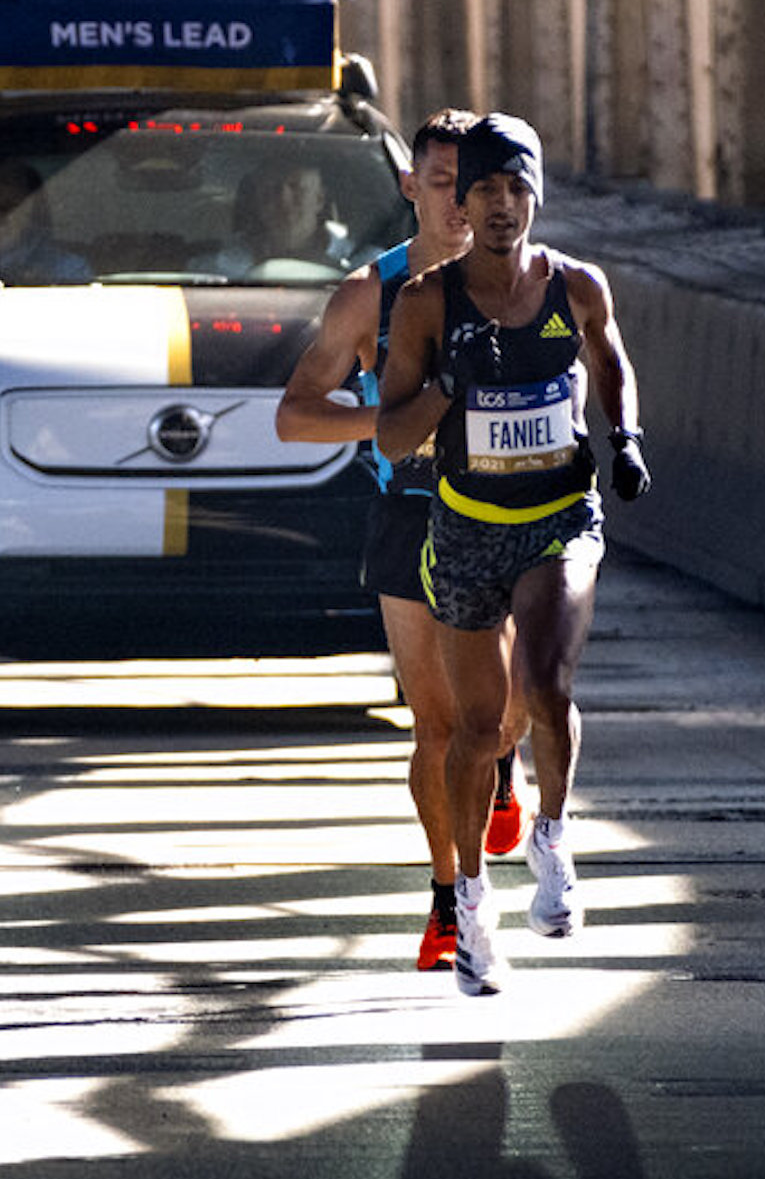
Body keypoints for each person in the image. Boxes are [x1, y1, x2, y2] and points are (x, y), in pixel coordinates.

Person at [375, 113, 651, 996]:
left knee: (548, 683)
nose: (501, 206)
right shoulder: (425, 301)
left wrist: (628, 437)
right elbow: (390, 430)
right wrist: (451, 385)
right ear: (460, 198)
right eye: (484, 189)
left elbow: (610, 361)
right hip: (463, 524)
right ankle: (469, 902)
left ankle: (556, 837)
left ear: (537, 193)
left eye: (516, 188)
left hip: (558, 513)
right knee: (475, 731)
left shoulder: (576, 285)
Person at [273, 108, 529, 973]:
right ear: (409, 185)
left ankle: (507, 769)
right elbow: (294, 415)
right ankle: (448, 895)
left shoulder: (525, 283)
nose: (461, 202)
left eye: (478, 184)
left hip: (508, 512)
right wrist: (385, 424)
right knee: (436, 720)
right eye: (445, 183)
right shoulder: (368, 295)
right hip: (410, 516)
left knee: (504, 712)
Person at [209, 161, 356, 276]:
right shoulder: (220, 266)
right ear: (257, 203)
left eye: (296, 187)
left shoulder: (357, 265)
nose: (283, 200)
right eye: (271, 190)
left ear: (319, 199)